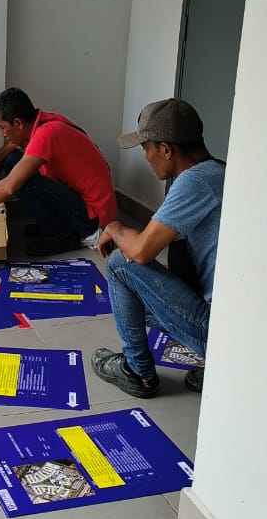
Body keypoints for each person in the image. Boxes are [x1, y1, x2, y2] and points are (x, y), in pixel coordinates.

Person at [90, 98, 225, 399]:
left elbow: (141, 251)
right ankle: (222, 365)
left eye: (145, 148)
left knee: (121, 264)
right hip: (241, 326)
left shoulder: (194, 182)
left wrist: (114, 227)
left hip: (219, 330)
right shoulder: (219, 171)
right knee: (137, 290)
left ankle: (137, 371)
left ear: (166, 149)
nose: (146, 157)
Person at [0, 87, 117, 255]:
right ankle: (55, 226)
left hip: (92, 218)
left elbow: (10, 186)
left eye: (3, 128)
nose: (2, 134)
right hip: (78, 203)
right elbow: (1, 156)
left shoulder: (46, 133)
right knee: (12, 160)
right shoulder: (36, 125)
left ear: (18, 123)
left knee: (22, 176)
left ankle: (60, 236)